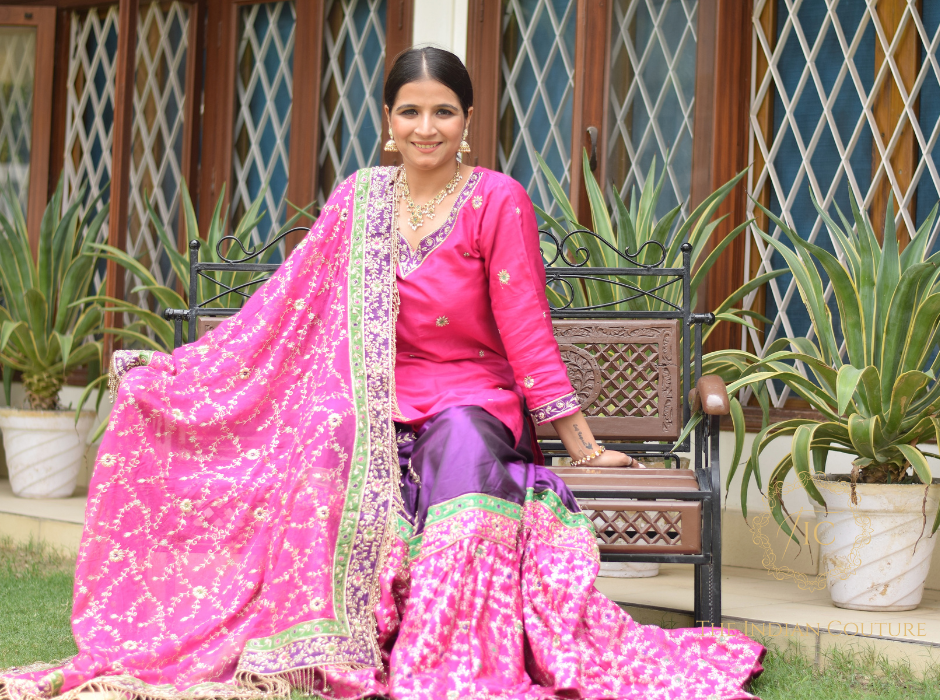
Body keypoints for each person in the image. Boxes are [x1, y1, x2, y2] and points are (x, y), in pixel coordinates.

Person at [0, 47, 763, 700]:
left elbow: (526, 327)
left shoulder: (498, 201)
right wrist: (178, 374)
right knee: (320, 446)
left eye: (442, 113)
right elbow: (285, 306)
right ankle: (323, 649)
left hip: (472, 402)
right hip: (373, 404)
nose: (425, 129)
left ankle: (449, 660)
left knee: (462, 450)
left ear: (467, 120)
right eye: (409, 112)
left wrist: (582, 443)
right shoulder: (358, 200)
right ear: (388, 120)